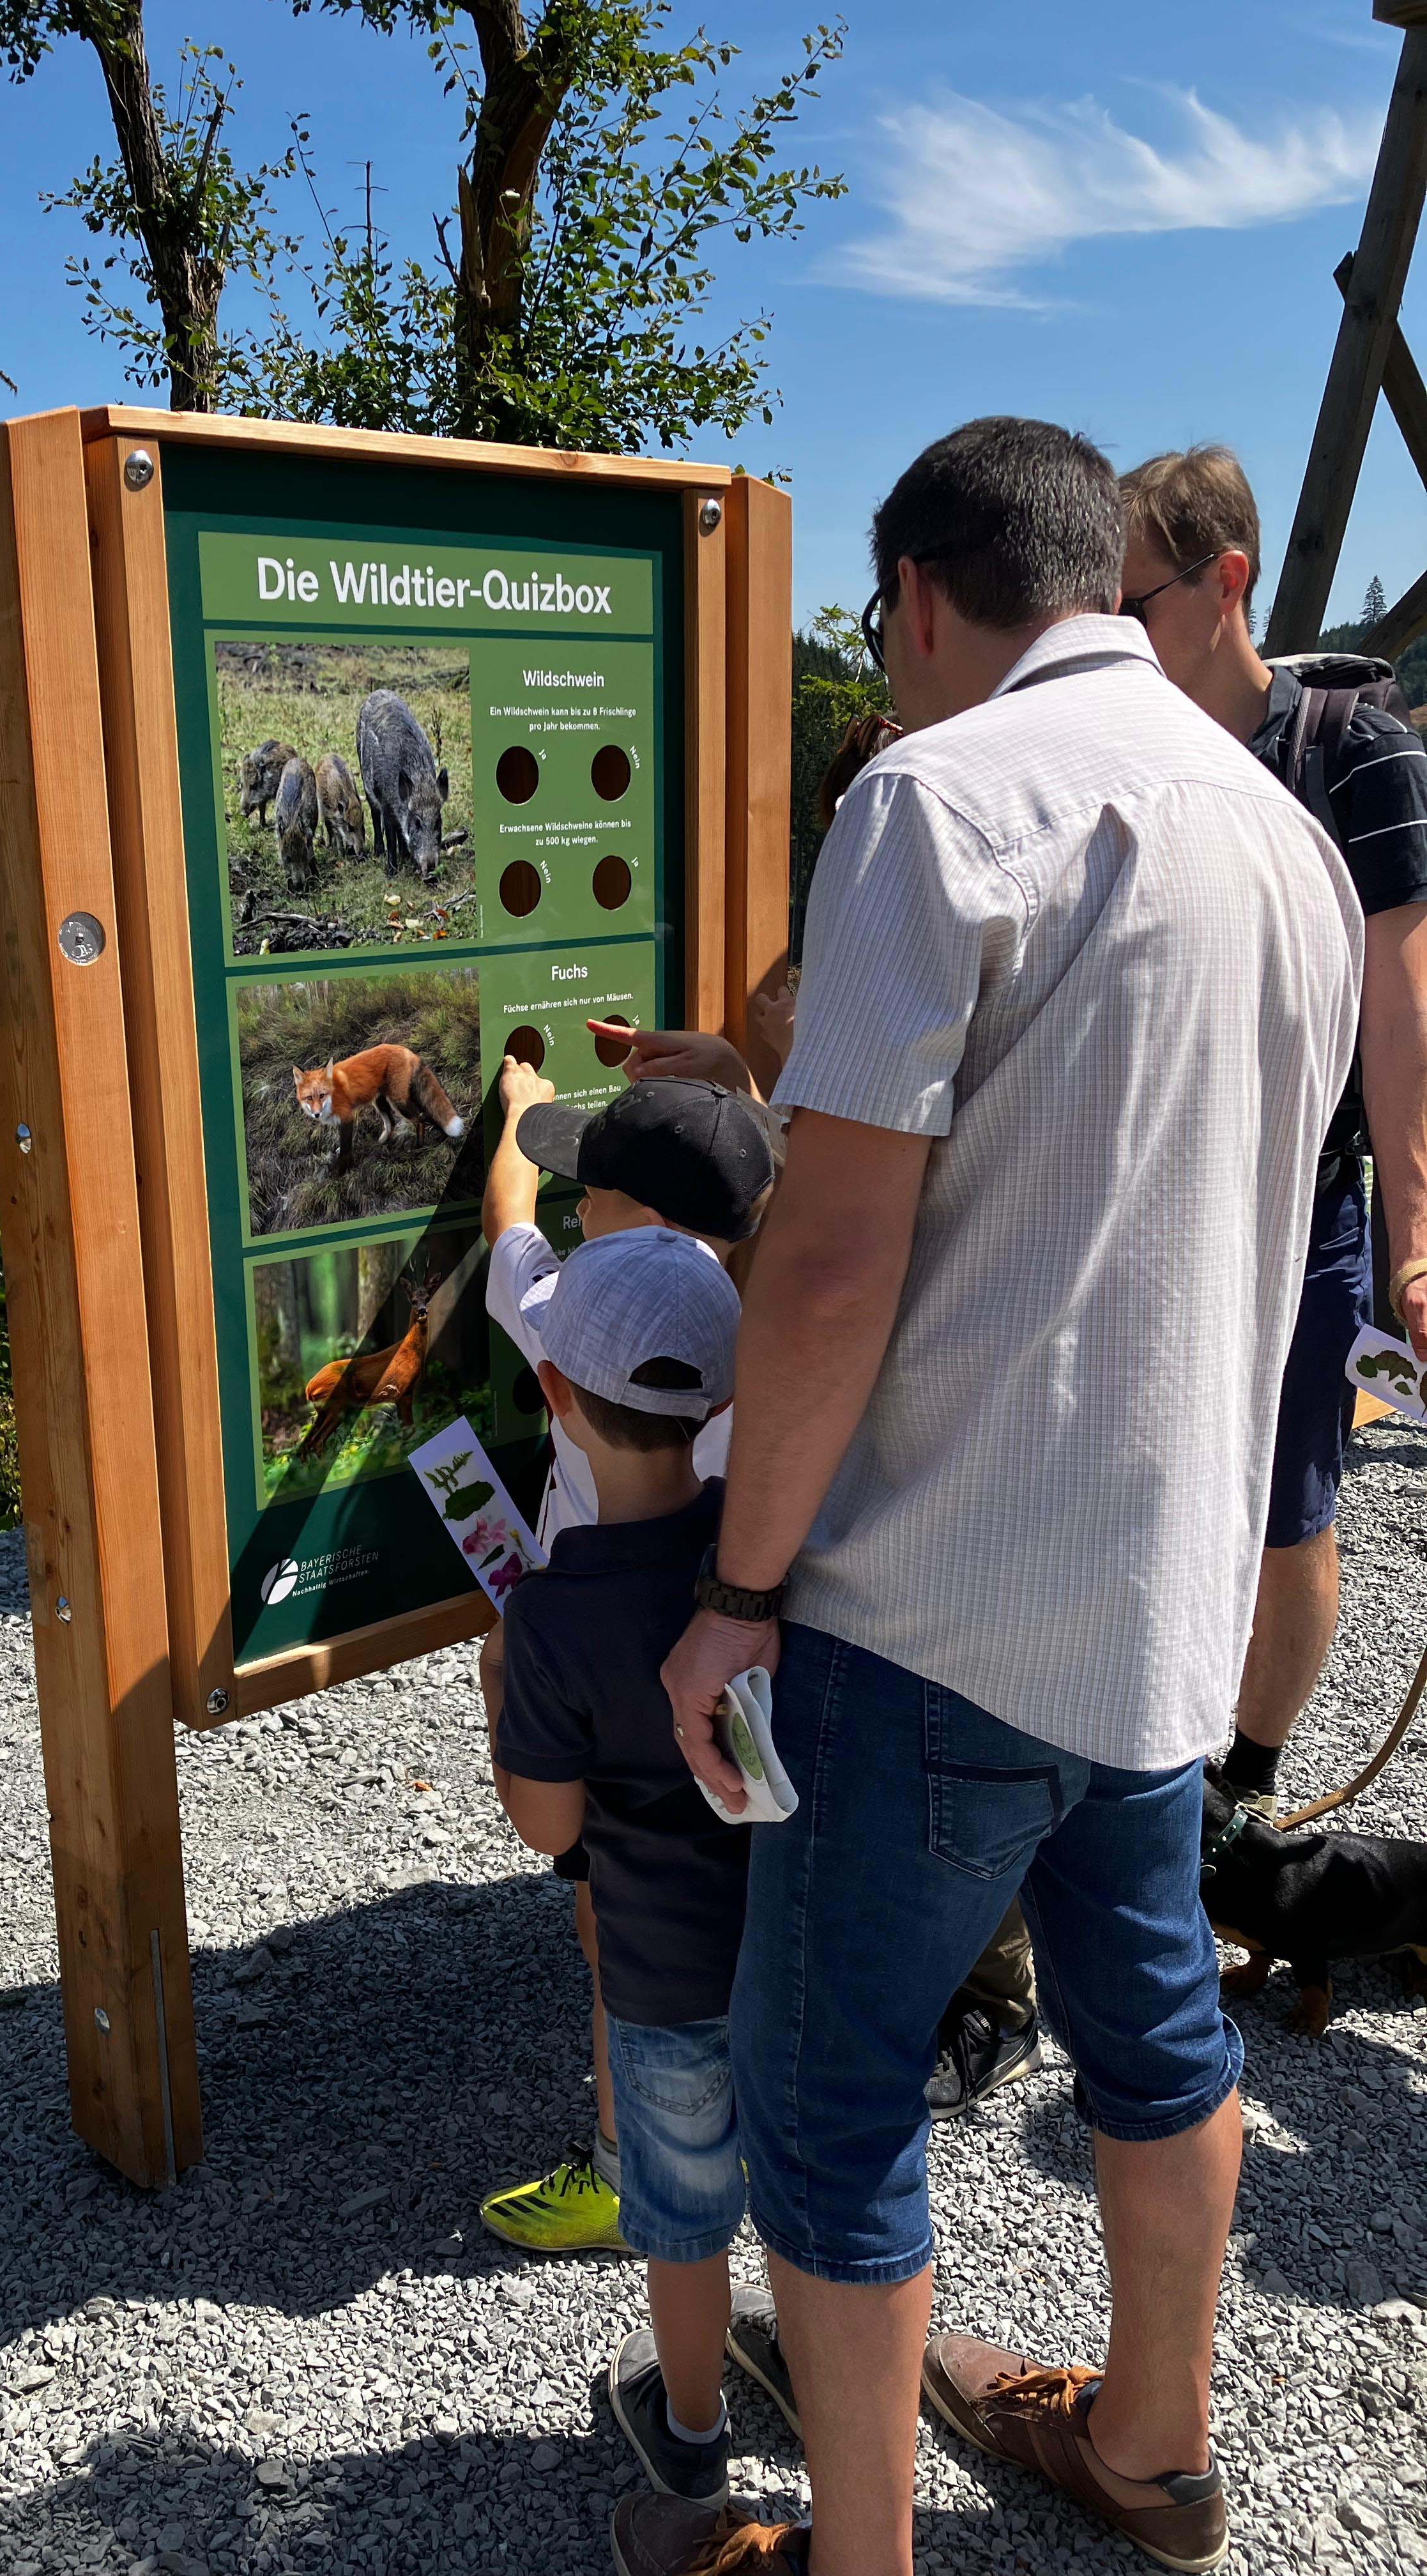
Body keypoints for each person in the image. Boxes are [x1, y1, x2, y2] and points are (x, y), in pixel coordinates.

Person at [623, 418, 1361, 2576]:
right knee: (1152, 2036)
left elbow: (835, 1258)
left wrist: (737, 1586)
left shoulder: (929, 804)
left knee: (833, 2098)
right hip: (1161, 1606)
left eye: (880, 632)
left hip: (921, 1610)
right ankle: (1151, 2449)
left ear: (924, 601)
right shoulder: (1279, 834)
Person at [1119, 445, 1427, 1816]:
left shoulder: (1357, 755)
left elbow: (1404, 1012)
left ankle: (1238, 1793)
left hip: (1299, 1209)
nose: (1106, 637)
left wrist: (1414, 1251)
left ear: (1225, 582)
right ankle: (1134, 1756)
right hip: (1139, 1200)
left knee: (1290, 1503)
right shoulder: (1123, 749)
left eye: (1130, 605)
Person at [488, 1227, 794, 2504]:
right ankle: (817, 2364)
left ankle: (687, 2424)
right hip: (796, 1943)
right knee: (803, 2174)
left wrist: (501, 1688)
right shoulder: (771, 1561)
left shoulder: (553, 1613)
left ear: (554, 1394)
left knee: (680, 2223)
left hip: (662, 1977)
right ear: (723, 1400)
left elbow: (549, 1830)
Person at [476, 1062, 774, 2257]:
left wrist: (512, 1109)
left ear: (623, 1214)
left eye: (582, 1183)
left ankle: (625, 2162)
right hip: (729, 1669)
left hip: (594, 1682)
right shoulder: (757, 1336)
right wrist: (735, 1094)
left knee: (613, 1912)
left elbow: (510, 1220)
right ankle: (738, 2129)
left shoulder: (568, 1318)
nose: (566, 1194)